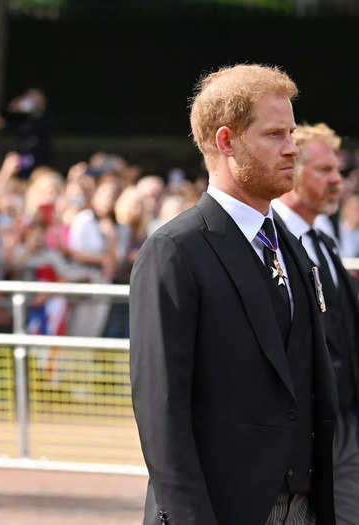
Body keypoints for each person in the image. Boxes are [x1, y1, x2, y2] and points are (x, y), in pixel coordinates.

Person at [130, 64, 338, 525]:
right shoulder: (174, 252)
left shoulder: (289, 243)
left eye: (292, 134)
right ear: (226, 141)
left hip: (303, 506)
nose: (291, 150)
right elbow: (162, 411)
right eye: (274, 135)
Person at [272, 123, 359, 524]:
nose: (337, 180)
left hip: (342, 413)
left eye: (337, 170)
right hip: (300, 426)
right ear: (293, 173)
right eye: (324, 170)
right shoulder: (268, 242)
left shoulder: (323, 240)